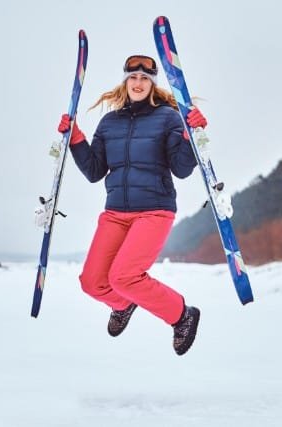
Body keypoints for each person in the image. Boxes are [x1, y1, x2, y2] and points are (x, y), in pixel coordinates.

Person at [57, 54, 208, 356]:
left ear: (152, 85)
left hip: (154, 210)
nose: (138, 83)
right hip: (115, 213)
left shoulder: (167, 117)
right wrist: (75, 139)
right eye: (133, 78)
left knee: (124, 276)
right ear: (125, 81)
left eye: (145, 79)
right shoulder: (109, 122)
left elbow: (181, 168)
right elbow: (94, 170)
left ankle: (182, 314)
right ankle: (124, 304)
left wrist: (193, 136)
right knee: (92, 282)